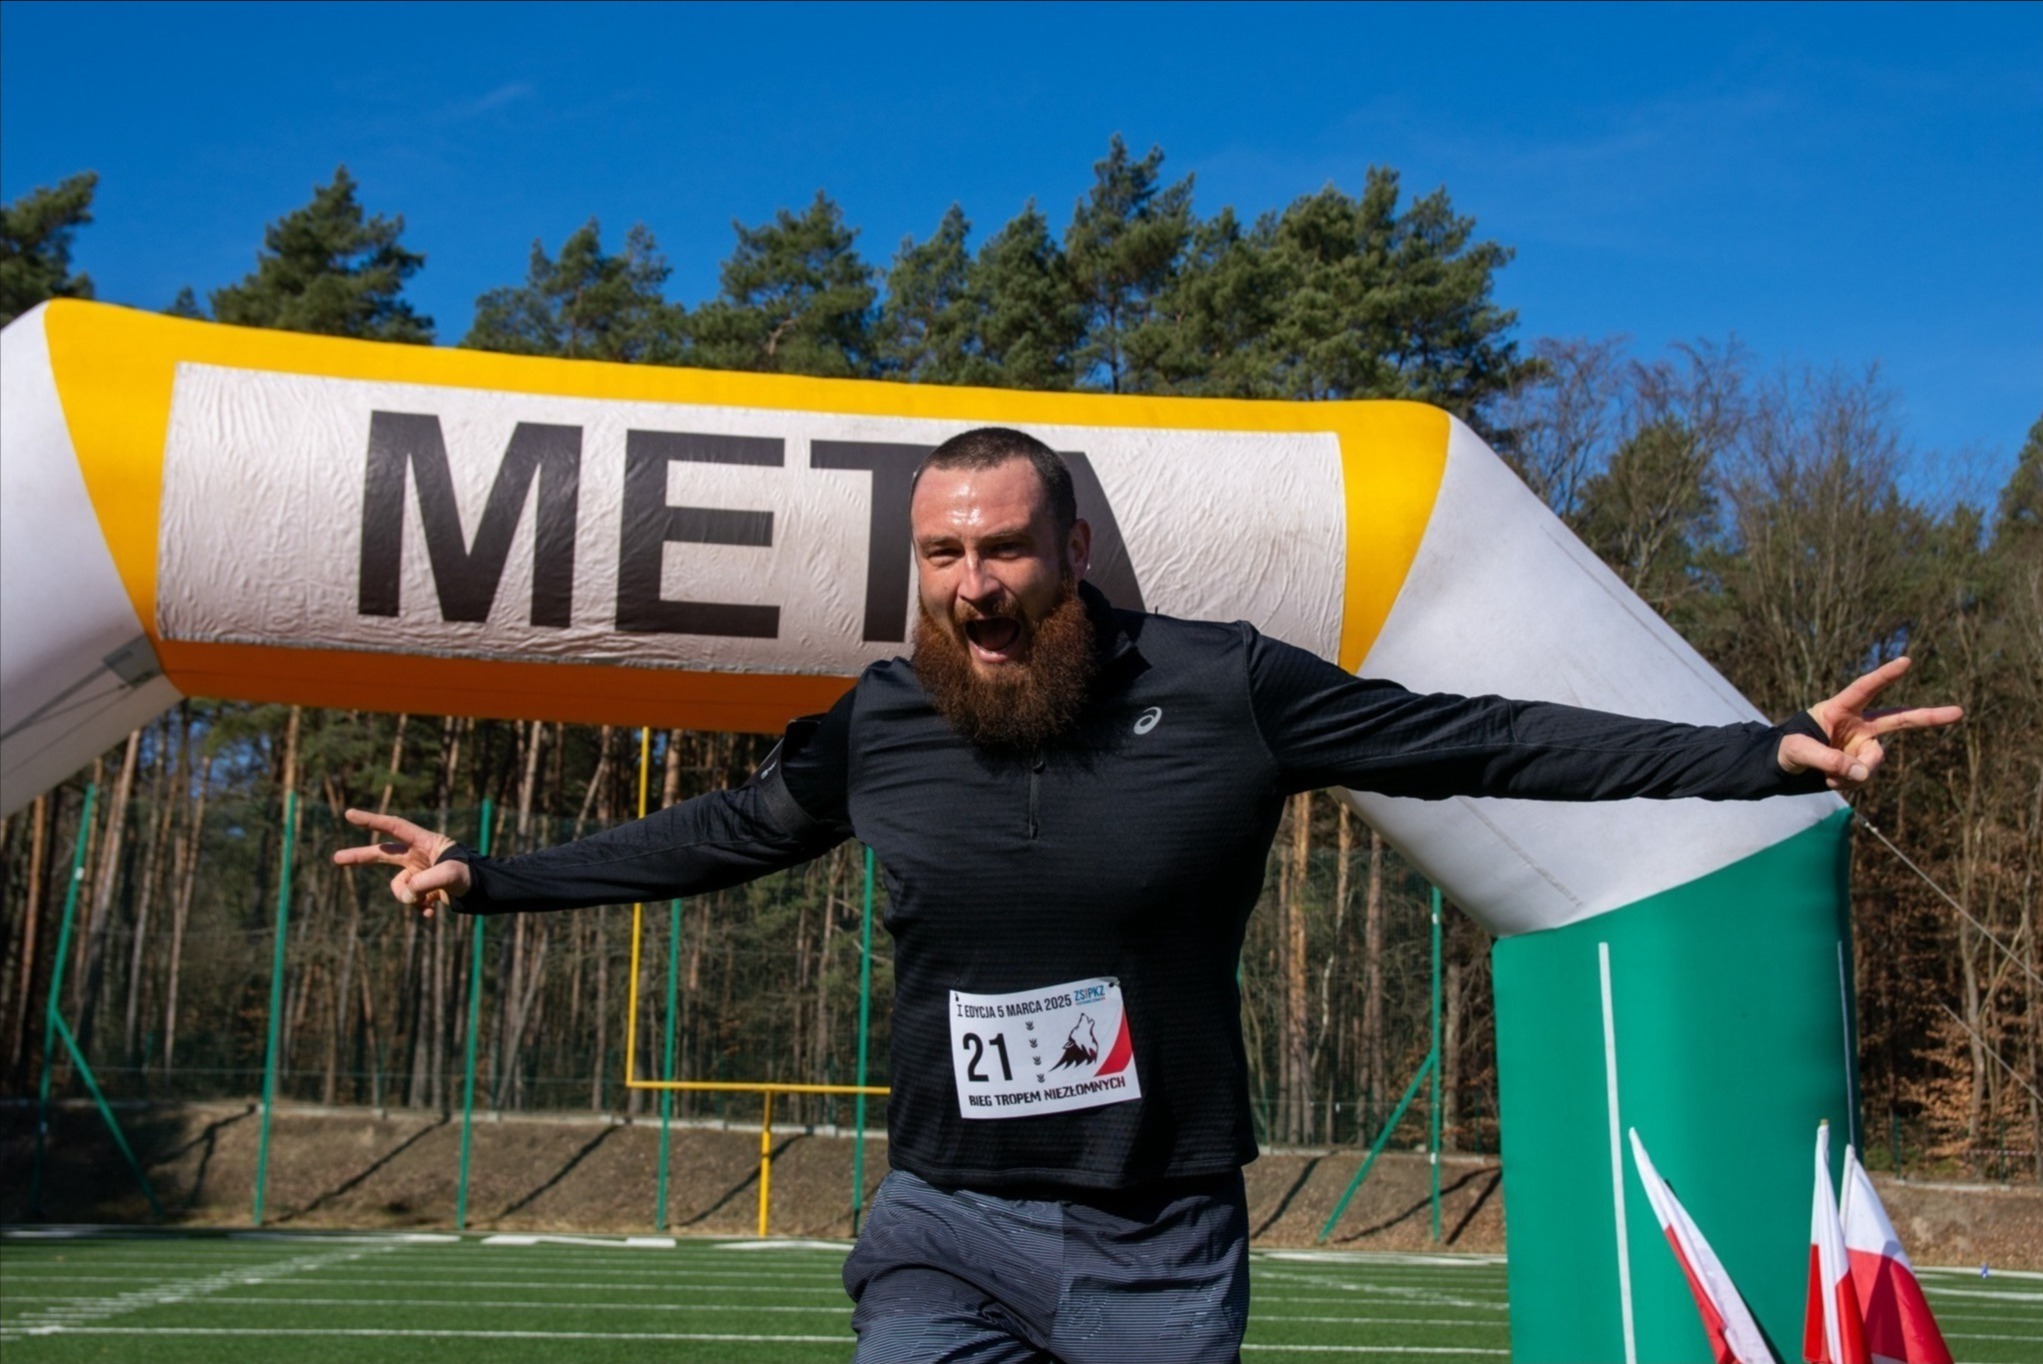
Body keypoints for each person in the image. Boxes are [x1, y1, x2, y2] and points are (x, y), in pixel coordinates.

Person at [337, 426, 1961, 1364]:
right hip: (943, 1222)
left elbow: (1481, 739)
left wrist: (1760, 752)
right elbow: (723, 834)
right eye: (943, 557)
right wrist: (487, 876)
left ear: (1078, 545)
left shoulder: (1229, 687)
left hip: (1158, 1239)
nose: (972, 586)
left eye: (1003, 549)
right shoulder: (884, 719)